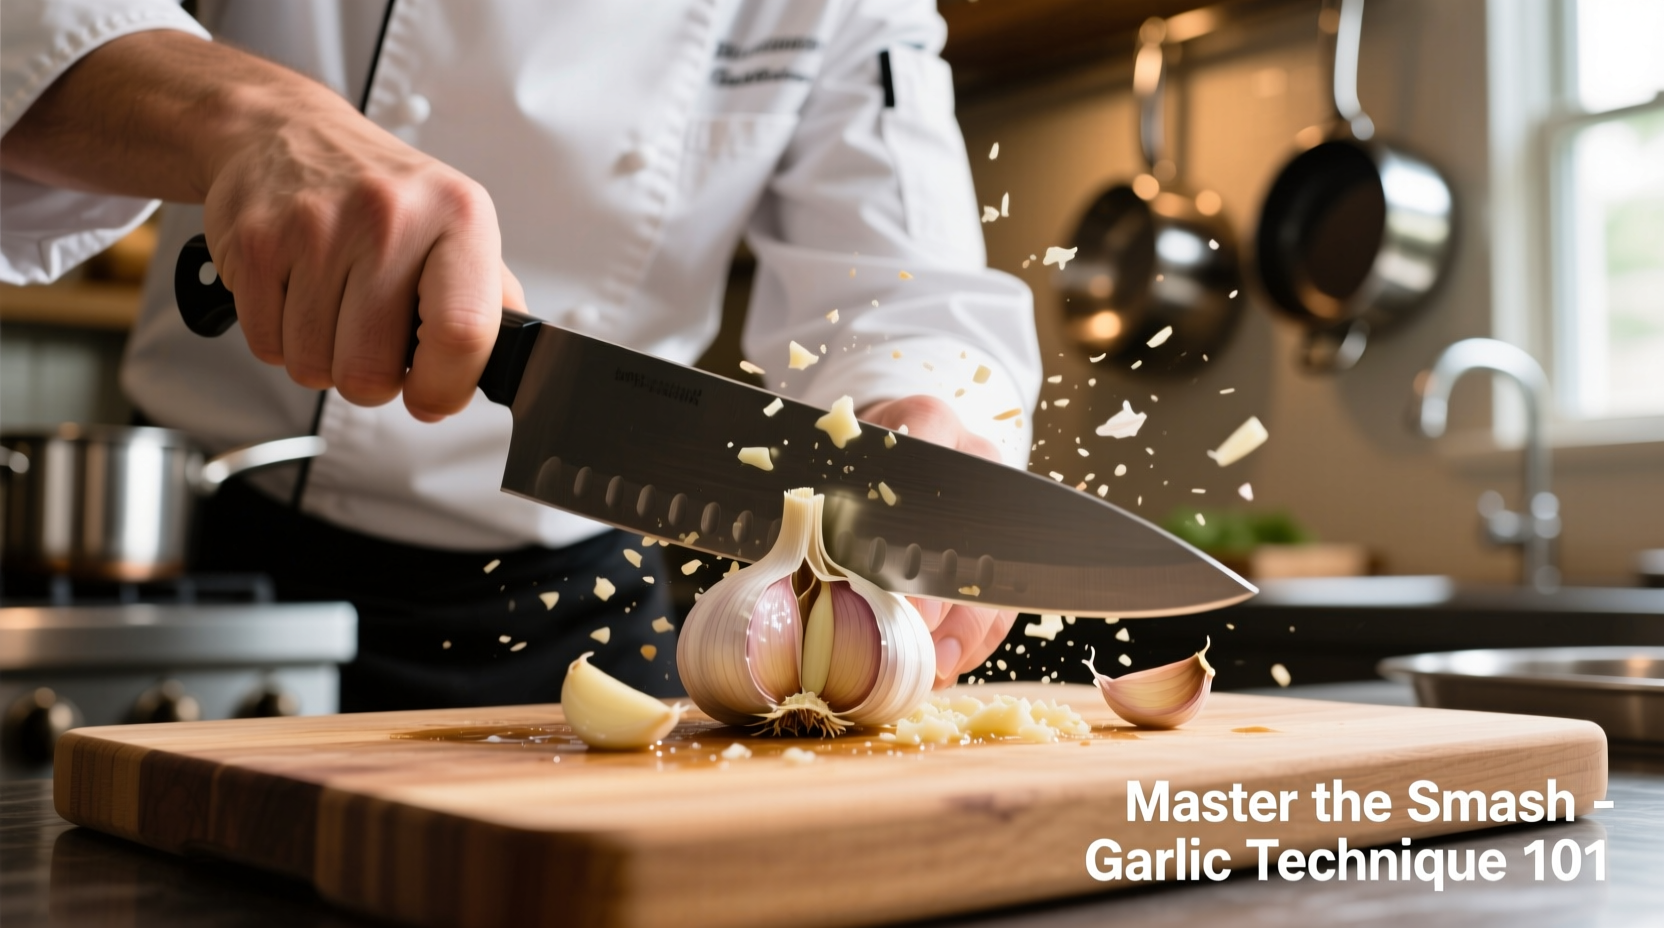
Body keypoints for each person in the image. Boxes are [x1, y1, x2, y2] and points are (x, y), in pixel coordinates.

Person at [0, 0, 1042, 710]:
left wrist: (927, 412)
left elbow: (905, 283)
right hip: (214, 560)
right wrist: (251, 118)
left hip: (582, 623)